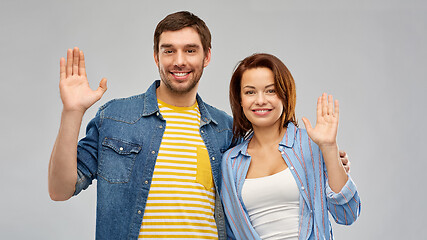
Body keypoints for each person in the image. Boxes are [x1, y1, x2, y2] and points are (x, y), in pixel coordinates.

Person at [48, 11, 351, 240]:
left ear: (206, 57)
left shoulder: (226, 131)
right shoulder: (115, 117)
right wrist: (72, 112)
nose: (179, 60)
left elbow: (267, 180)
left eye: (190, 50)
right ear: (156, 56)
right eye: (169, 50)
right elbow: (60, 190)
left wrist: (325, 159)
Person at [221, 53, 361, 240]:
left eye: (270, 91)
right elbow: (231, 233)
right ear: (240, 100)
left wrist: (329, 148)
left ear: (285, 94)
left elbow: (347, 214)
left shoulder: (312, 145)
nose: (260, 100)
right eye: (250, 92)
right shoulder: (230, 162)